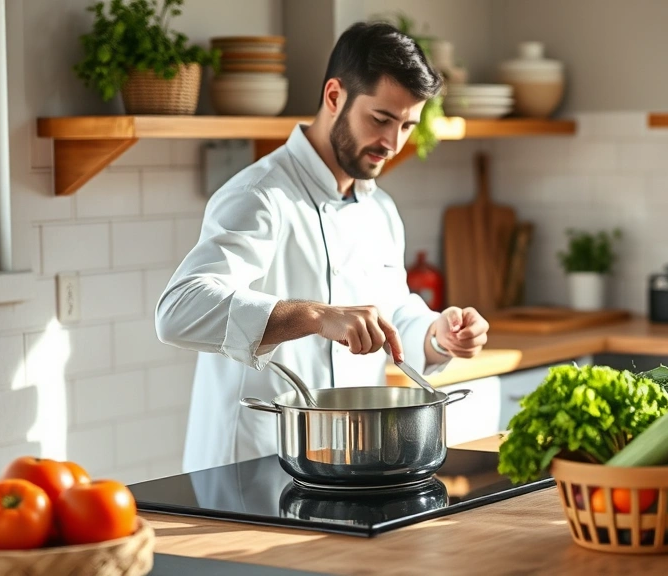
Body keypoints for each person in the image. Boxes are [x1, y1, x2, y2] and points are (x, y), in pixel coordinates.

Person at [155, 21, 489, 473]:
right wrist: (316, 315)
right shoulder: (258, 195)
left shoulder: (380, 210)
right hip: (250, 465)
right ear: (334, 97)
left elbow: (392, 313)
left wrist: (437, 334)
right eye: (381, 119)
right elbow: (178, 311)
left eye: (407, 125)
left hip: (343, 464)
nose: (392, 144)